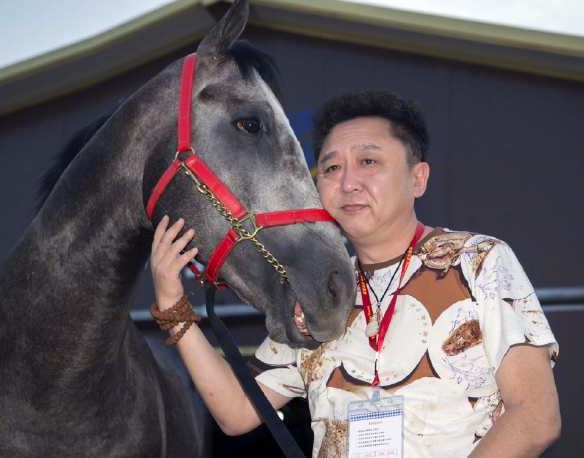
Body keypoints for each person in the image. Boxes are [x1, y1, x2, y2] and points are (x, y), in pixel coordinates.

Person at [149, 90, 560, 457]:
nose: (347, 183)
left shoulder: (479, 261)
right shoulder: (317, 292)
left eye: (368, 161)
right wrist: (173, 303)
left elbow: (536, 416)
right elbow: (237, 412)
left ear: (418, 178)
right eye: (330, 169)